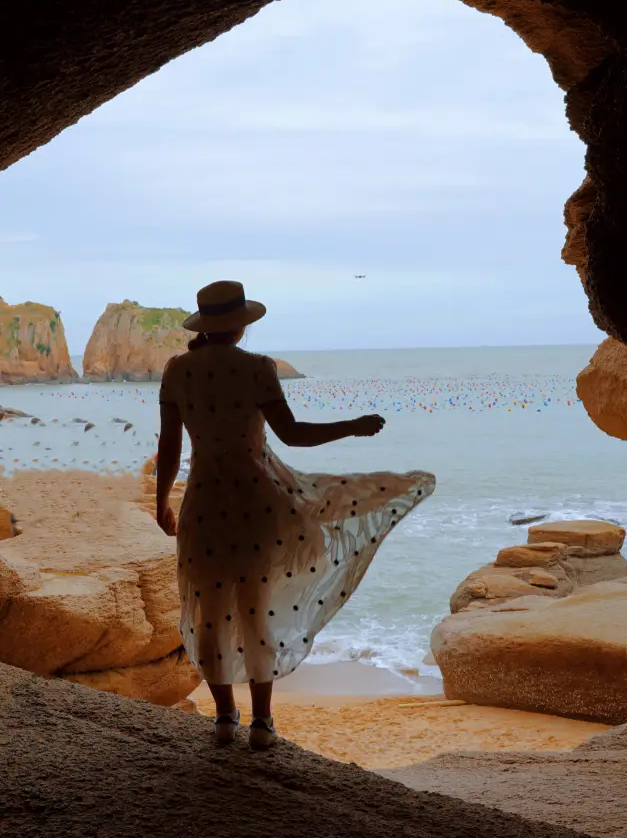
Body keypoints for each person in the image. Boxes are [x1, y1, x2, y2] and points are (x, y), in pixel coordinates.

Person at [156, 280, 435, 749]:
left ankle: (225, 717)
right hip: (256, 505)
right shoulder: (257, 368)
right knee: (255, 608)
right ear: (241, 327)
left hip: (203, 504)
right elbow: (293, 436)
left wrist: (160, 500)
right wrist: (353, 426)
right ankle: (261, 724)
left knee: (207, 612)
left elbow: (169, 445)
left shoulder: (177, 370)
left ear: (205, 324)